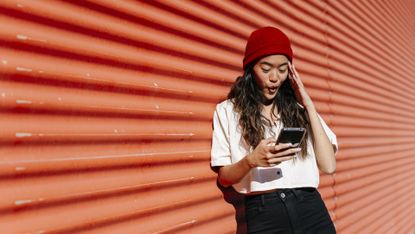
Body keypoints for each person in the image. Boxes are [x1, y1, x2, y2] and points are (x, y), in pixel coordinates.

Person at [211, 26, 338, 234]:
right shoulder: (227, 111)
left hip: (311, 209)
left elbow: (329, 165)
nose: (275, 78)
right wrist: (253, 160)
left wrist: (308, 103)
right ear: (251, 68)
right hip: (264, 215)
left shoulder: (300, 110)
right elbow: (224, 177)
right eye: (266, 68)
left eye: (282, 69)